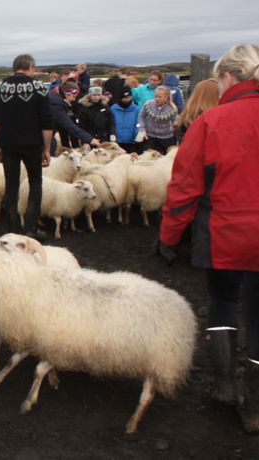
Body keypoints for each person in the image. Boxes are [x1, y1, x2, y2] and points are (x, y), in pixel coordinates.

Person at [158, 43, 259, 434]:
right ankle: (255, 409)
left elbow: (184, 189)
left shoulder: (210, 122)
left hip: (226, 233)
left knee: (222, 304)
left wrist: (169, 238)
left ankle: (224, 386)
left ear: (229, 77)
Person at [0, 53, 53, 239]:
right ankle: (30, 227)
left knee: (11, 185)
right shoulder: (39, 87)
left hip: (8, 144)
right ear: (30, 67)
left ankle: (12, 228)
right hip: (32, 144)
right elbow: (47, 121)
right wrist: (47, 149)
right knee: (35, 183)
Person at [49, 82, 101, 150]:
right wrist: (90, 139)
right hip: (41, 135)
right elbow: (68, 125)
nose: (74, 99)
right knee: (52, 146)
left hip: (45, 134)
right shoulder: (56, 104)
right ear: (68, 93)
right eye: (74, 97)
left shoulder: (53, 96)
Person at [137, 85, 177, 154]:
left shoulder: (172, 108)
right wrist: (142, 129)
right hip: (150, 138)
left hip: (166, 138)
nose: (157, 99)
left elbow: (176, 123)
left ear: (166, 97)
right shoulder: (148, 104)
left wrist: (175, 133)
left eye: (160, 97)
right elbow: (141, 116)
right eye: (155, 96)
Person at [110, 85, 140, 152]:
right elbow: (111, 123)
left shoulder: (136, 109)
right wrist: (112, 134)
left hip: (131, 141)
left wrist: (137, 136)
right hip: (116, 141)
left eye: (129, 97)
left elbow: (138, 124)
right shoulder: (113, 108)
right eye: (125, 98)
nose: (127, 99)